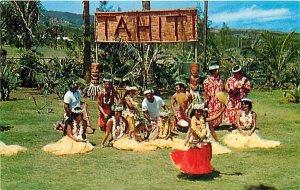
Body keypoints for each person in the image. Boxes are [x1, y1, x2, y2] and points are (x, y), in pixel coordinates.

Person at [171, 103, 226, 175]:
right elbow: (184, 117)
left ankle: (201, 171)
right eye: (197, 111)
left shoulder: (204, 119)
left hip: (203, 141)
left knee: (203, 157)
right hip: (195, 141)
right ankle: (194, 171)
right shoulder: (191, 120)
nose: (199, 113)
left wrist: (223, 109)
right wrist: (181, 109)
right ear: (194, 111)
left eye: (200, 111)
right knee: (194, 157)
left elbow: (216, 117)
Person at [224, 65, 251, 130]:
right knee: (231, 111)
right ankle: (232, 124)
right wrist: (230, 90)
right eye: (235, 73)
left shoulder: (244, 79)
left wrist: (243, 86)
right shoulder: (230, 79)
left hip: (241, 99)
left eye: (238, 73)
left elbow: (248, 88)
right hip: (232, 98)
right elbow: (226, 87)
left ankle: (241, 124)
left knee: (240, 111)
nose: (236, 74)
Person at [204, 64, 224, 130]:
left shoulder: (220, 81)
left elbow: (221, 90)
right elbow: (206, 91)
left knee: (218, 110)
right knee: (210, 111)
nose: (218, 72)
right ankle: (211, 124)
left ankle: (216, 125)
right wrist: (206, 100)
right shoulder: (207, 81)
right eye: (217, 70)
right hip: (210, 99)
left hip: (218, 99)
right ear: (213, 71)